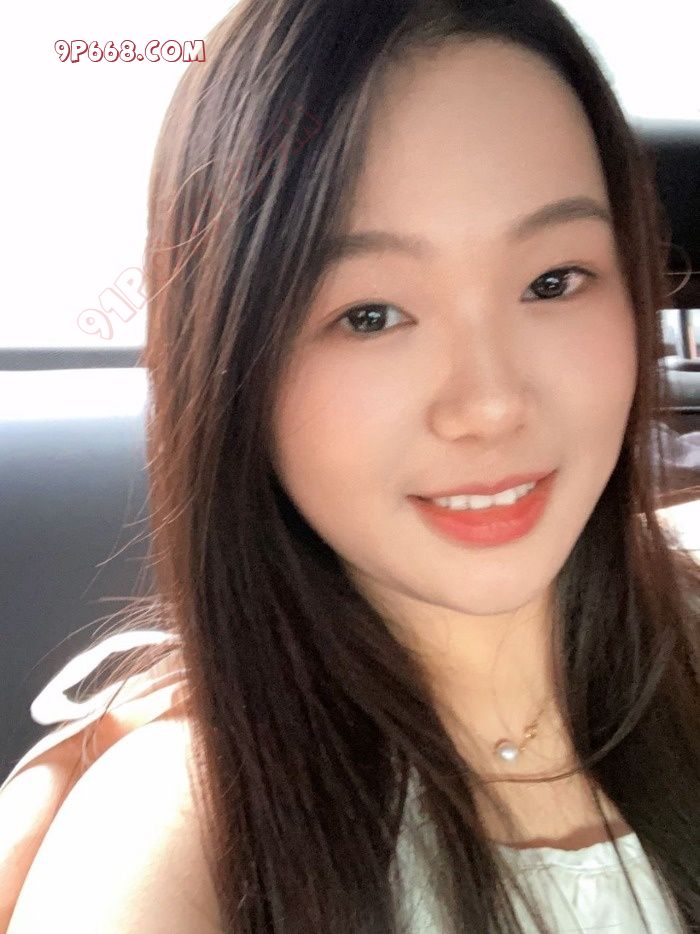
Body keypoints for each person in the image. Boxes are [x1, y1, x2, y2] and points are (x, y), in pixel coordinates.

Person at [2, 1, 698, 931]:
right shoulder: (173, 836)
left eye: (552, 281)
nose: (491, 404)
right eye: (370, 315)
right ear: (232, 362)